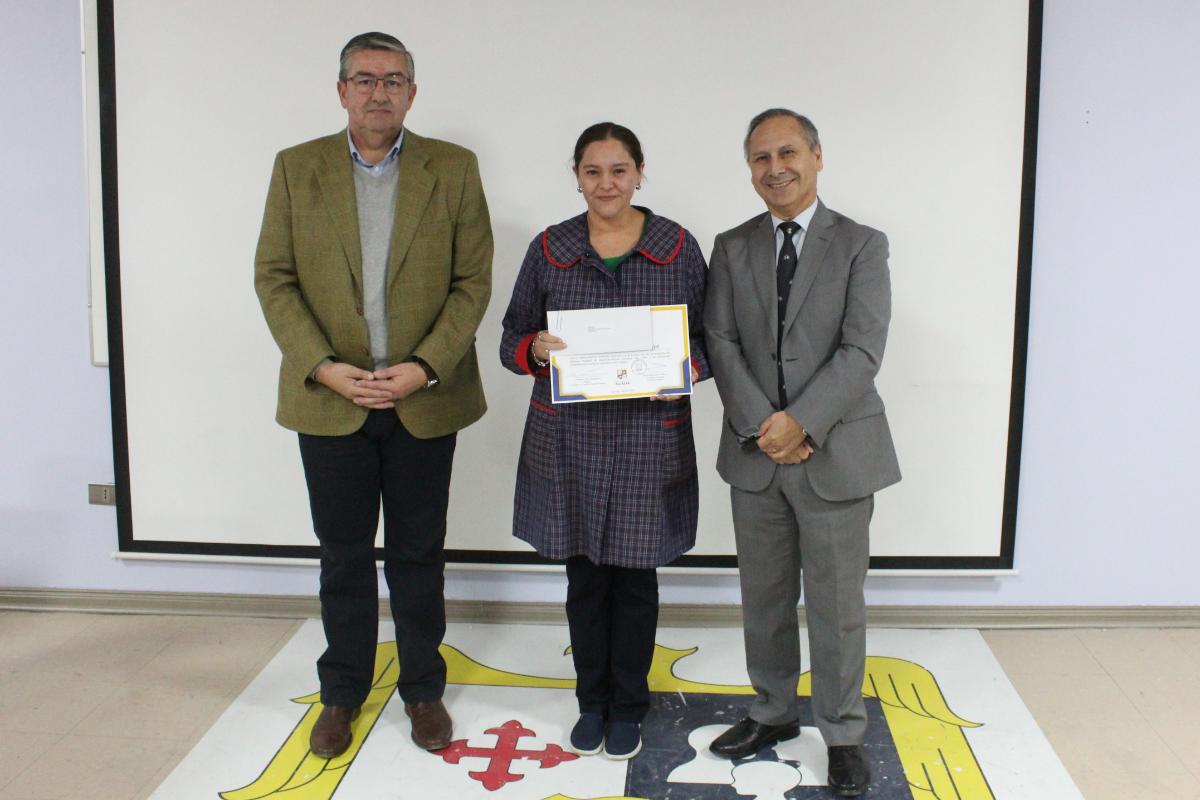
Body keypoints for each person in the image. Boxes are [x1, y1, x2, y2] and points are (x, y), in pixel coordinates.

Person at [254, 32, 492, 758]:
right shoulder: (296, 168)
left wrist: (426, 366)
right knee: (344, 556)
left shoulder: (453, 168)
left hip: (423, 398)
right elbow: (275, 278)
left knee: (418, 554)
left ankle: (422, 689)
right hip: (332, 399)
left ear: (412, 94)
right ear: (342, 91)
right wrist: (322, 366)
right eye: (365, 79)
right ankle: (342, 692)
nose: (378, 92)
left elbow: (472, 282)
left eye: (393, 80)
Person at [703, 109, 900, 798]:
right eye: (761, 158)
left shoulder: (862, 244)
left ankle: (842, 732)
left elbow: (862, 348)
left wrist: (803, 423)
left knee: (836, 604)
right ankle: (773, 711)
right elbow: (720, 341)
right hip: (756, 453)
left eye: (787, 152)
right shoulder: (731, 246)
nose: (775, 168)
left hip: (837, 454)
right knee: (763, 598)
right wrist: (767, 425)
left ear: (817, 156)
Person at [499, 122, 709, 761]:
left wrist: (686, 372)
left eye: (619, 170)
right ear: (576, 176)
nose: (607, 183)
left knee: (636, 580)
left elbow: (712, 340)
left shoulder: (678, 246)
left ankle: (629, 706)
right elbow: (511, 339)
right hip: (570, 441)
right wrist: (535, 350)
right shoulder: (549, 247)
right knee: (585, 577)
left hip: (649, 437)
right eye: (593, 171)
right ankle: (591, 702)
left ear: (640, 173)